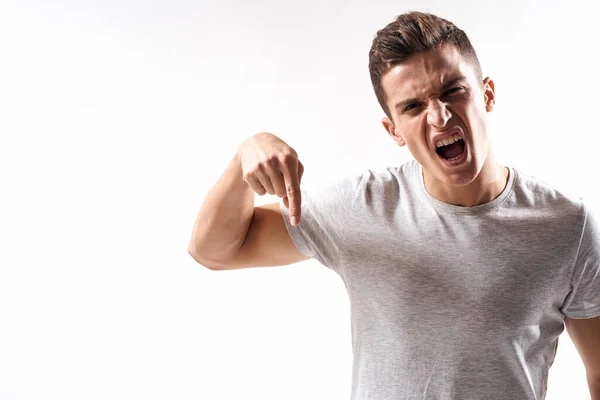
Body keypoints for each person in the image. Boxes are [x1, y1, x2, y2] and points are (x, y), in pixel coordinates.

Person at [188, 11, 600, 400]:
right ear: (393, 130)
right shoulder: (361, 206)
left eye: (453, 90)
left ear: (487, 94)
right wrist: (244, 155)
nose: (439, 117)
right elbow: (216, 250)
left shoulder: (567, 224)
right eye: (413, 106)